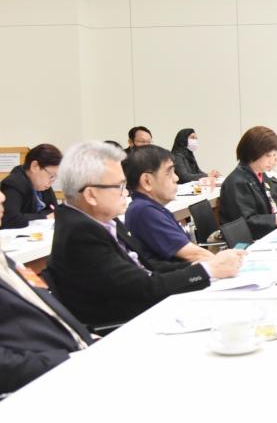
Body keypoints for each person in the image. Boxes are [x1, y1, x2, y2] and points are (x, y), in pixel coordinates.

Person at [46, 142, 244, 327]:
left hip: (146, 310)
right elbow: (141, 287)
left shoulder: (103, 219)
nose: (126, 193)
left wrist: (198, 267)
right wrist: (207, 270)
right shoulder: (80, 234)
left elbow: (147, 266)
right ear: (91, 195)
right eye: (119, 186)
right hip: (126, 326)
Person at [0, 189, 93, 394]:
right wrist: (67, 360)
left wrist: (88, 340)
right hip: (44, 381)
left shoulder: (5, 260)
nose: (2, 197)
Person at [124, 145, 214, 263]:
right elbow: (192, 254)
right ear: (147, 181)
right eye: (169, 172)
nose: (176, 178)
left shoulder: (150, 207)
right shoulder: (144, 211)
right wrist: (222, 261)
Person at [0, 144, 62, 229]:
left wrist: (28, 216)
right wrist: (45, 217)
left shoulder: (43, 185)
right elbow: (10, 219)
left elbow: (54, 211)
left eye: (55, 177)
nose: (52, 181)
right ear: (35, 166)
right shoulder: (13, 183)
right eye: (51, 176)